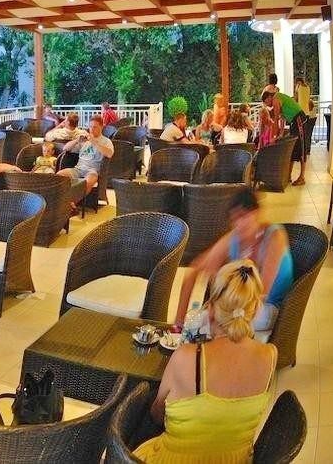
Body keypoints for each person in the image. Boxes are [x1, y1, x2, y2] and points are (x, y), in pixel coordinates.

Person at [135, 259, 277, 463]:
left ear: (210, 310)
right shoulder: (270, 355)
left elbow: (157, 414)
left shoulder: (187, 357)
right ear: (254, 311)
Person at [175, 188, 292, 334]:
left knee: (214, 322)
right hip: (239, 305)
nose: (239, 224)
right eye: (234, 219)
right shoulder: (234, 237)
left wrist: (221, 308)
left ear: (257, 213)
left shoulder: (275, 237)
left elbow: (262, 293)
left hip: (269, 308)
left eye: (243, 216)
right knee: (197, 324)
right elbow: (193, 272)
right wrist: (179, 323)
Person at [57, 115, 113, 197]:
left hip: (92, 171)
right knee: (59, 175)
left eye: (95, 127)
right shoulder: (84, 141)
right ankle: (63, 199)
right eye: (90, 127)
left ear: (101, 127)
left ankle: (73, 201)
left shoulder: (106, 141)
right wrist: (77, 140)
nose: (92, 129)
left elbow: (109, 154)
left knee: (87, 182)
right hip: (78, 169)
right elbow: (65, 148)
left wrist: (94, 142)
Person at [262, 90, 308, 185]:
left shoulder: (275, 99)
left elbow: (276, 119)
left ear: (269, 97)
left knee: (301, 148)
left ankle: (302, 177)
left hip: (298, 119)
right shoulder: (279, 99)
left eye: (267, 102)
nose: (268, 105)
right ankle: (288, 176)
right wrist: (281, 134)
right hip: (293, 122)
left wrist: (274, 136)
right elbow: (282, 119)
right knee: (293, 148)